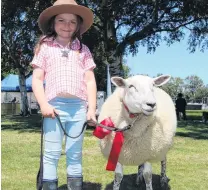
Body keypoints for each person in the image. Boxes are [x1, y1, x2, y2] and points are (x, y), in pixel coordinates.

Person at [31, 0, 97, 189]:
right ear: (53, 23)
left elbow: (90, 80)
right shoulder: (45, 47)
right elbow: (37, 79)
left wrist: (91, 109)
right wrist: (44, 104)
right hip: (54, 107)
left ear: (78, 26)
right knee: (51, 153)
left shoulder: (82, 50)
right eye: (61, 20)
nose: (67, 26)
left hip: (78, 108)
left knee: (74, 153)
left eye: (72, 22)